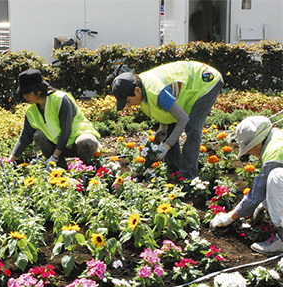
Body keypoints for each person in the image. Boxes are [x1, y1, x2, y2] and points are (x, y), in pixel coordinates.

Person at [111, 61, 224, 180]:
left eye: (128, 101)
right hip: (191, 86)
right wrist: (162, 133)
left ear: (137, 90)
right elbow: (167, 117)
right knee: (171, 127)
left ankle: (188, 176)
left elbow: (183, 119)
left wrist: (167, 145)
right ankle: (174, 172)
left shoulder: (157, 93)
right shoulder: (143, 90)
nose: (129, 105)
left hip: (205, 81)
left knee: (193, 128)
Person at [210, 116, 283, 255]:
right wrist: (266, 202)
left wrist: (230, 217)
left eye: (248, 149)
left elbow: (257, 193)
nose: (249, 153)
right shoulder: (277, 138)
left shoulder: (274, 152)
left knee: (276, 177)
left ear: (256, 144)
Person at [7, 69, 100, 169]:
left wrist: (54, 157)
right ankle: (61, 171)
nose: (25, 96)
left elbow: (66, 131)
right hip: (60, 148)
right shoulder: (31, 111)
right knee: (39, 135)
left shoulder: (61, 99)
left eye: (27, 93)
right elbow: (24, 138)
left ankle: (88, 170)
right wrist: (9, 161)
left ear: (39, 90)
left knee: (86, 141)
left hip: (79, 143)